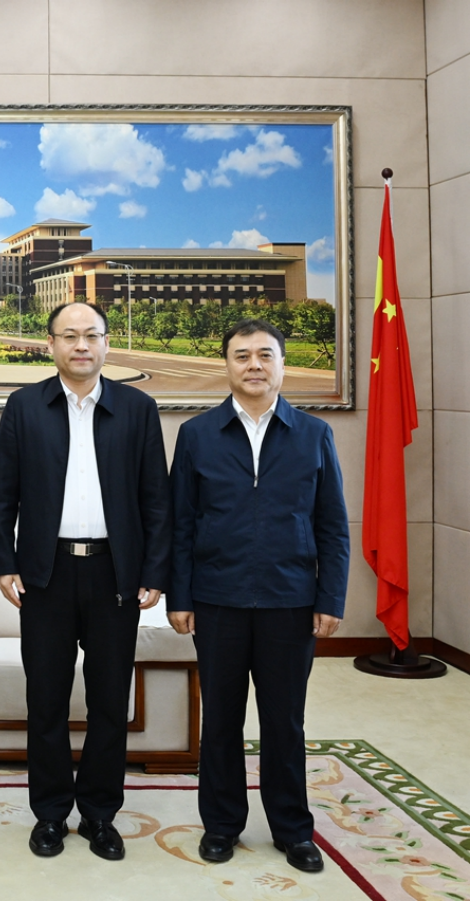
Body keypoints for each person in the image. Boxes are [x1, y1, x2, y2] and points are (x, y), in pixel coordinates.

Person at [0, 301, 171, 862]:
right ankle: (49, 813)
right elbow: (2, 494)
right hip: (46, 574)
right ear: (51, 345)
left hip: (116, 574)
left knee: (110, 700)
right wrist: (4, 564)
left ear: (107, 343)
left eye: (92, 335)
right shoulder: (24, 406)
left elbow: (155, 499)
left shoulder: (137, 409)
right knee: (45, 699)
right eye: (69, 336)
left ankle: (99, 813)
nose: (81, 345)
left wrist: (154, 571)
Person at [168, 319, 349, 874]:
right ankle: (221, 826)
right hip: (217, 599)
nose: (253, 365)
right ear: (226, 365)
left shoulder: (313, 434)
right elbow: (181, 524)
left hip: (289, 601)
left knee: (284, 722)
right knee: (221, 721)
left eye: (265, 355)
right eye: (242, 355)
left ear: (282, 365)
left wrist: (330, 598)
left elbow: (332, 525)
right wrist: (180, 597)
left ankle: (293, 830)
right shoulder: (197, 434)